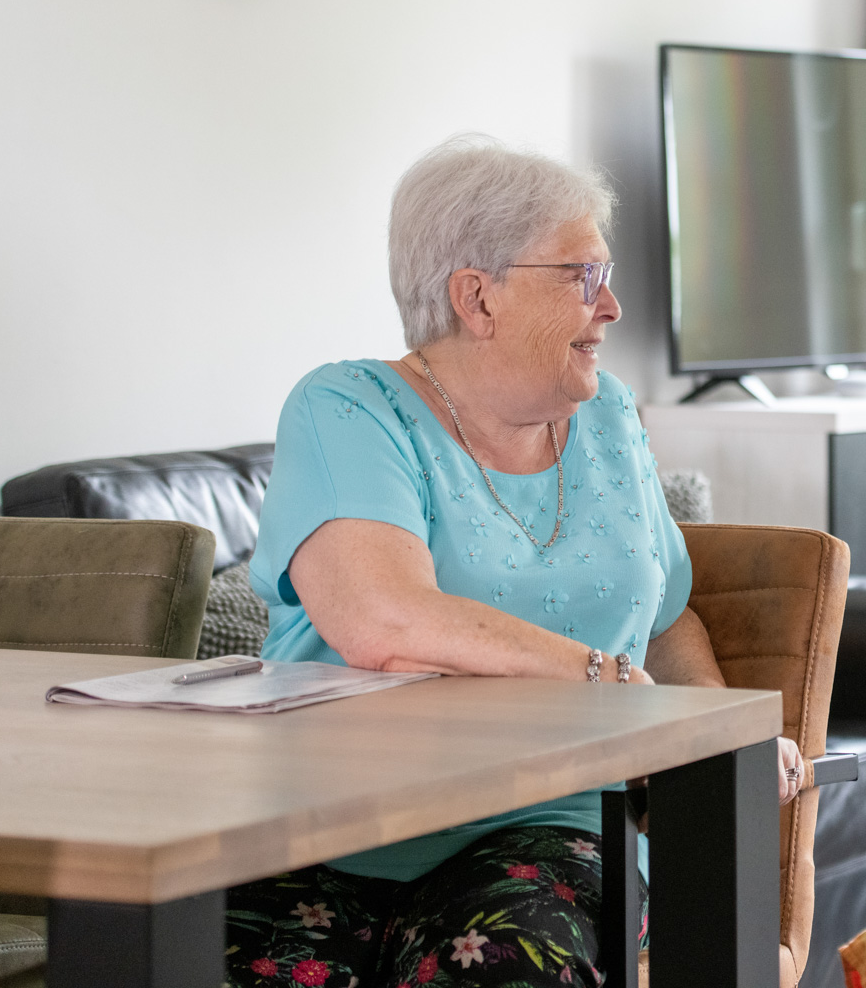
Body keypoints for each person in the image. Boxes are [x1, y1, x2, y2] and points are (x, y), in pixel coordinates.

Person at [230, 135, 804, 988]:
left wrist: (720, 739)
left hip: (553, 826)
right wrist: (602, 678)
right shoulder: (348, 409)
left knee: (503, 967)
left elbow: (667, 618)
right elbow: (382, 619)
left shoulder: (608, 415)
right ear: (477, 297)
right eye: (584, 276)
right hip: (334, 831)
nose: (612, 307)